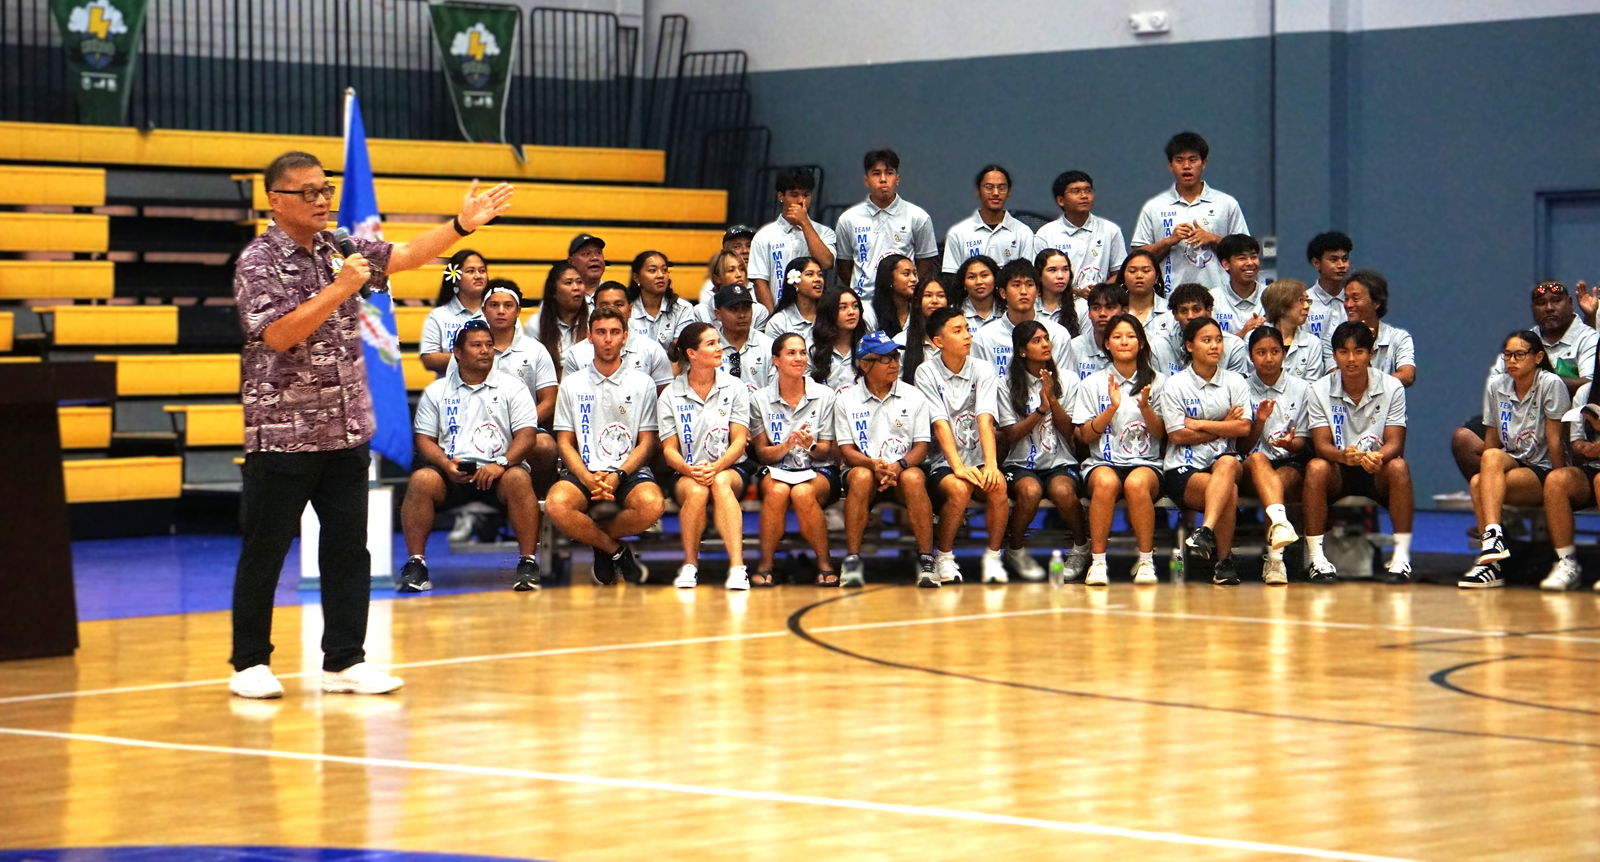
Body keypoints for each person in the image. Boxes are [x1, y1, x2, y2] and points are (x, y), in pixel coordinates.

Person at [229, 150, 511, 699]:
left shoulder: (338, 246)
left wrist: (460, 227)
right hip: (284, 433)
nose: (320, 199)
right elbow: (279, 335)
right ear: (276, 200)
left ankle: (344, 661)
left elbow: (404, 255)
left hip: (344, 429)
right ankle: (250, 663)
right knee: (265, 548)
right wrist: (339, 289)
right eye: (307, 192)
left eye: (324, 188)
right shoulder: (258, 262)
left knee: (347, 548)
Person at [399, 321, 543, 593]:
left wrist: (501, 463)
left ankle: (528, 563)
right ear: (457, 352)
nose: (485, 351)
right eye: (476, 345)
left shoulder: (513, 387)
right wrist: (445, 464)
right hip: (452, 474)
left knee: (518, 478)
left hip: (498, 472)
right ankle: (416, 564)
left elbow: (527, 435)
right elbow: (424, 440)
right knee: (422, 479)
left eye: (489, 345)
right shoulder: (437, 391)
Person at [546, 307, 664, 585]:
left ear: (625, 336)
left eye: (614, 332)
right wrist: (588, 478)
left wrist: (618, 475)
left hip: (628, 470)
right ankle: (615, 550)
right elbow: (564, 441)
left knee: (652, 505)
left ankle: (599, 542)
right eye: (601, 332)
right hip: (582, 469)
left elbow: (647, 442)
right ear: (589, 337)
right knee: (556, 505)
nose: (608, 339)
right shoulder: (572, 383)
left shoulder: (643, 383)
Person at [1302, 322, 1415, 583]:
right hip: (1338, 469)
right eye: (1344, 352)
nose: (1351, 359)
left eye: (1359, 351)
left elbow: (1396, 442)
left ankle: (1401, 557)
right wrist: (1343, 456)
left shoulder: (1392, 387)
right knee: (1316, 467)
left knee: (1399, 467)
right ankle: (1317, 558)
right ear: (1335, 355)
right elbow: (1321, 445)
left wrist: (1380, 457)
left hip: (1375, 468)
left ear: (1372, 354)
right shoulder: (1319, 389)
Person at [1451, 280, 1597, 480]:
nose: (1549, 308)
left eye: (1556, 301)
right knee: (1464, 440)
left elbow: (1591, 385)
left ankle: (1540, 489)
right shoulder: (1525, 340)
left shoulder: (1587, 337)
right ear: (1532, 309)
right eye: (1541, 303)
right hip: (1520, 415)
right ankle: (1507, 496)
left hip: (1566, 419)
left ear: (1570, 303)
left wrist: (1535, 378)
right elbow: (1498, 380)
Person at [825, 332, 938, 587]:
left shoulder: (914, 396)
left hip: (902, 468)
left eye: (895, 357)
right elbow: (846, 449)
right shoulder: (845, 400)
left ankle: (926, 559)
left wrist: (898, 467)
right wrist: (872, 465)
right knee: (862, 477)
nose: (894, 364)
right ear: (865, 364)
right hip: (863, 468)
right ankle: (852, 560)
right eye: (885, 359)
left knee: (914, 477)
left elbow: (921, 447)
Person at [1460, 330, 1569, 589]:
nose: (1512, 361)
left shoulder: (1551, 384)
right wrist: (1489, 476)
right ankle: (1493, 544)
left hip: (1541, 469)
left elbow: (1555, 441)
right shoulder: (1497, 385)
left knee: (1478, 482)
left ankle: (1491, 561)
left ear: (1538, 356)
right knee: (1484, 469)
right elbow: (1492, 436)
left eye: (1519, 354)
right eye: (1507, 355)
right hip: (1511, 462)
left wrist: (1560, 483)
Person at [914, 308, 1009, 584]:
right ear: (938, 341)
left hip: (978, 455)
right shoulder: (926, 371)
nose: (967, 336)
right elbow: (939, 423)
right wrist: (957, 466)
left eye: (967, 329)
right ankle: (944, 555)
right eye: (957, 331)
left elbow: (985, 418)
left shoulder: (983, 368)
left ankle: (993, 556)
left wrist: (991, 465)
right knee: (959, 488)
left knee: (998, 485)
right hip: (942, 460)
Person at [657, 322, 755, 590]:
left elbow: (738, 441)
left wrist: (716, 467)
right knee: (698, 492)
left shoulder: (735, 388)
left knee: (721, 483)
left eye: (718, 341)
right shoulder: (670, 395)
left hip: (730, 467)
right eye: (711, 343)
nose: (719, 347)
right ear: (691, 353)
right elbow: (669, 451)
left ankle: (737, 567)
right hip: (687, 472)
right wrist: (692, 471)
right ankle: (690, 565)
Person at [1072, 314, 1166, 585]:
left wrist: (1146, 408)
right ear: (1107, 345)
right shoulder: (1092, 383)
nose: (1124, 341)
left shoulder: (1158, 382)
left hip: (1146, 462)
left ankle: (1146, 561)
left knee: (1136, 484)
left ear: (1141, 343)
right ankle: (1098, 562)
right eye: (1117, 336)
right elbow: (1085, 436)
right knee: (1104, 482)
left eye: (1131, 336)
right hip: (1103, 461)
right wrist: (1111, 408)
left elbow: (1162, 433)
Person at [1157, 316, 1252, 585]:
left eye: (1219, 340)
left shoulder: (1235, 381)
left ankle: (1206, 530)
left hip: (1224, 461)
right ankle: (1223, 562)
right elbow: (1177, 434)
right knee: (1228, 489)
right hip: (1184, 467)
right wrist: (1224, 426)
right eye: (1206, 340)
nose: (1215, 346)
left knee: (1229, 463)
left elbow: (1244, 428)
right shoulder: (1175, 384)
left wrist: (1200, 425)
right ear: (1189, 345)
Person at [997, 320, 1092, 584]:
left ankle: (1081, 549)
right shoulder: (1006, 384)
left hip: (1059, 459)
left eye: (1046, 338)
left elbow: (1069, 432)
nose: (1045, 344)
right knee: (1030, 491)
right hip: (1020, 461)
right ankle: (1014, 549)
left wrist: (1051, 400)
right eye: (1036, 340)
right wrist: (1039, 410)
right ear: (1022, 351)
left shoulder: (1069, 379)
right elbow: (1009, 435)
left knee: (1063, 491)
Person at [752, 333, 839, 586]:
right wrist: (786, 445)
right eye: (791, 353)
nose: (799, 358)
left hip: (818, 470)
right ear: (775, 360)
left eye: (802, 352)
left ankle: (824, 563)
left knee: (802, 493)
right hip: (776, 470)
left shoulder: (824, 395)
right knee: (778, 492)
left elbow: (827, 451)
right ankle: (766, 564)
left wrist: (808, 445)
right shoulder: (759, 399)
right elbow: (761, 453)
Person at [465, 281, 560, 490]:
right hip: (476, 425)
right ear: (483, 309)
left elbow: (549, 400)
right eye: (494, 305)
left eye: (508, 306)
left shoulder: (535, 350)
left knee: (545, 446)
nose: (501, 311)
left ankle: (539, 501)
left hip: (524, 426)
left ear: (518, 311)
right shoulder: (466, 349)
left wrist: (521, 426)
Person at [1240, 325, 1313, 585]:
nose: (1268, 358)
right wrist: (1258, 422)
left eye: (1274, 351)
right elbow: (1242, 447)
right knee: (1259, 460)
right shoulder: (1241, 386)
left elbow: (1303, 443)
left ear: (1284, 353)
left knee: (1276, 485)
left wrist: (1291, 443)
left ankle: (1275, 560)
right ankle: (1278, 537)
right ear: (1251, 356)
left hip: (1289, 462)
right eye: (1261, 352)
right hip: (1252, 464)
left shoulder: (1302, 389)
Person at [1132, 131, 1249, 292]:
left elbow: (1245, 252)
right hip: (1169, 299)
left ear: (1204, 163)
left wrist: (1213, 238)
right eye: (1179, 160)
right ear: (1170, 165)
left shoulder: (1226, 203)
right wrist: (1168, 241)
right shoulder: (1155, 207)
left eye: (1193, 160)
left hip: (1218, 297)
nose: (1186, 166)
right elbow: (1137, 258)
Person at [834, 149, 938, 296]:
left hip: (902, 302)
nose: (883, 179)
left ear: (897, 179)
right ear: (866, 180)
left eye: (889, 173)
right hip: (863, 302)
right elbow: (844, 265)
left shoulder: (918, 217)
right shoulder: (848, 219)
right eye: (876, 173)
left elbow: (926, 264)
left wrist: (909, 291)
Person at [972, 259, 1076, 382]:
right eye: (1016, 285)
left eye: (1029, 285)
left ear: (1037, 291)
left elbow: (1066, 384)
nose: (1023, 292)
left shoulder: (1058, 334)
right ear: (1003, 292)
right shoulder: (984, 338)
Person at [749, 167, 836, 310]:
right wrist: (772, 317)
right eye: (794, 194)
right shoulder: (764, 236)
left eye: (806, 195)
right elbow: (760, 282)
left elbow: (826, 263)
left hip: (815, 315)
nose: (801, 200)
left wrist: (805, 223)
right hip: (777, 314)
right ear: (781, 196)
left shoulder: (825, 232)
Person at [1542, 379, 1600, 592]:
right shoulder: (1586, 392)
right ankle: (1567, 562)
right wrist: (1583, 447)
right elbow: (1576, 442)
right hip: (1594, 465)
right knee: (1557, 481)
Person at [563, 282, 674, 391]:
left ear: (630, 310)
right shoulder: (576, 354)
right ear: (594, 310)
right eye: (604, 305)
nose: (612, 310)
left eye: (619, 305)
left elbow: (663, 398)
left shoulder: (652, 350)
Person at [1031, 170, 1128, 293]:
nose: (1084, 196)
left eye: (1088, 190)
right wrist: (1077, 292)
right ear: (1061, 200)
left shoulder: (1110, 230)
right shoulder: (1045, 234)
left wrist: (1098, 293)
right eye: (1076, 191)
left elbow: (1119, 274)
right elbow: (1037, 278)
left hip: (1099, 305)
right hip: (1059, 305)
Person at [1321, 269, 1415, 387]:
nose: (1348, 305)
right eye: (1346, 299)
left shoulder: (1398, 338)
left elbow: (1407, 375)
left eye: (1355, 299)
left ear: (1376, 303)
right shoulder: (1332, 337)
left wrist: (1373, 386)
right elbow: (1335, 377)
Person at [941, 164, 1035, 273]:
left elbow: (1027, 277)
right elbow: (950, 277)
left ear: (1009, 192)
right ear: (977, 190)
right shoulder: (958, 233)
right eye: (989, 187)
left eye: (1001, 188)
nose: (996, 193)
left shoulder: (1023, 232)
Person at [419, 248, 488, 374]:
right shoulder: (438, 315)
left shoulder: (499, 313)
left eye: (482, 271)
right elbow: (428, 359)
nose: (478, 276)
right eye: (470, 271)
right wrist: (468, 359)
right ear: (455, 278)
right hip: (450, 389)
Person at [1160, 282, 1250, 376]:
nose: (1190, 316)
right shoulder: (1160, 345)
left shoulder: (1233, 346)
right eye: (1184, 311)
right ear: (1175, 315)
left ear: (1209, 310)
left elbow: (1236, 388)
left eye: (1196, 310)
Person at [627, 250, 696, 356]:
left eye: (664, 270)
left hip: (671, 370)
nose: (660, 275)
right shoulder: (626, 308)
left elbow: (678, 356)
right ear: (636, 277)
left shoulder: (683, 309)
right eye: (652, 270)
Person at [525, 262, 589, 366]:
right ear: (553, 292)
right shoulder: (535, 324)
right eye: (569, 283)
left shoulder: (593, 320)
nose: (576, 287)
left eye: (580, 282)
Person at [1261, 278, 1323, 381]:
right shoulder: (1255, 339)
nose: (1307, 306)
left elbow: (1312, 386)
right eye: (1301, 300)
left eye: (1308, 301)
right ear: (1281, 304)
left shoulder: (1312, 343)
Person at [712, 283, 774, 388]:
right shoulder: (709, 346)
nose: (742, 315)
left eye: (746, 308)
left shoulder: (768, 346)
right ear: (718, 314)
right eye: (734, 309)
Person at [810, 286, 869, 391]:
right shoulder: (812, 347)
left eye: (855, 306)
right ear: (829, 312)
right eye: (843, 307)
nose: (851, 312)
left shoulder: (868, 346)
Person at [697, 247, 771, 329]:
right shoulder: (701, 312)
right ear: (717, 278)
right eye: (731, 270)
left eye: (742, 269)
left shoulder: (759, 311)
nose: (739, 274)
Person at [1118, 249, 1177, 346]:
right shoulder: (1115, 312)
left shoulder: (1171, 312)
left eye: (1146, 271)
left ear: (1156, 277)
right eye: (1132, 271)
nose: (1139, 275)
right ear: (1123, 277)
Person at [1211, 234, 1267, 336]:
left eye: (1254, 257)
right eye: (1242, 258)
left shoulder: (1272, 296)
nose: (1250, 263)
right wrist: (1244, 332)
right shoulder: (1212, 299)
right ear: (1226, 264)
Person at [765, 256, 826, 345]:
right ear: (795, 283)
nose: (817, 279)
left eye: (820, 275)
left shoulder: (830, 316)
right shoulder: (778, 323)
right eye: (810, 274)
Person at [897, 277, 950, 380]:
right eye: (928, 295)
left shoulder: (959, 339)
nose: (934, 301)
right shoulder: (900, 342)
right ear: (917, 301)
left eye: (941, 296)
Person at [1304, 231, 1352, 341]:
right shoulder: (1304, 302)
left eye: (1345, 259)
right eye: (1333, 260)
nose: (1341, 265)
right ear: (1316, 263)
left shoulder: (1355, 301)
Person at [1070, 282, 1124, 380]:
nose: (1102, 313)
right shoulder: (1074, 347)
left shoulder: (1132, 347)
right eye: (1096, 308)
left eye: (1110, 307)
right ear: (1089, 313)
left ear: (1124, 312)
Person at [1033, 247, 1085, 336]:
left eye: (1065, 269)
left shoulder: (1081, 306)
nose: (1060, 276)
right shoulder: (1030, 305)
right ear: (1039, 275)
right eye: (1052, 270)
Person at [870, 253, 920, 339]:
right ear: (889, 278)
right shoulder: (870, 313)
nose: (914, 279)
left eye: (914, 274)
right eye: (906, 274)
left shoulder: (919, 310)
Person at [956, 254, 1004, 334]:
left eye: (984, 275)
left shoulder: (1008, 311)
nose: (979, 282)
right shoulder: (954, 312)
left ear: (995, 279)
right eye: (972, 277)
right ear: (963, 284)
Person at [567, 233, 607, 299]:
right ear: (571, 262)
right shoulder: (563, 297)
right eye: (586, 254)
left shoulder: (615, 293)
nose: (595, 258)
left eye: (598, 253)